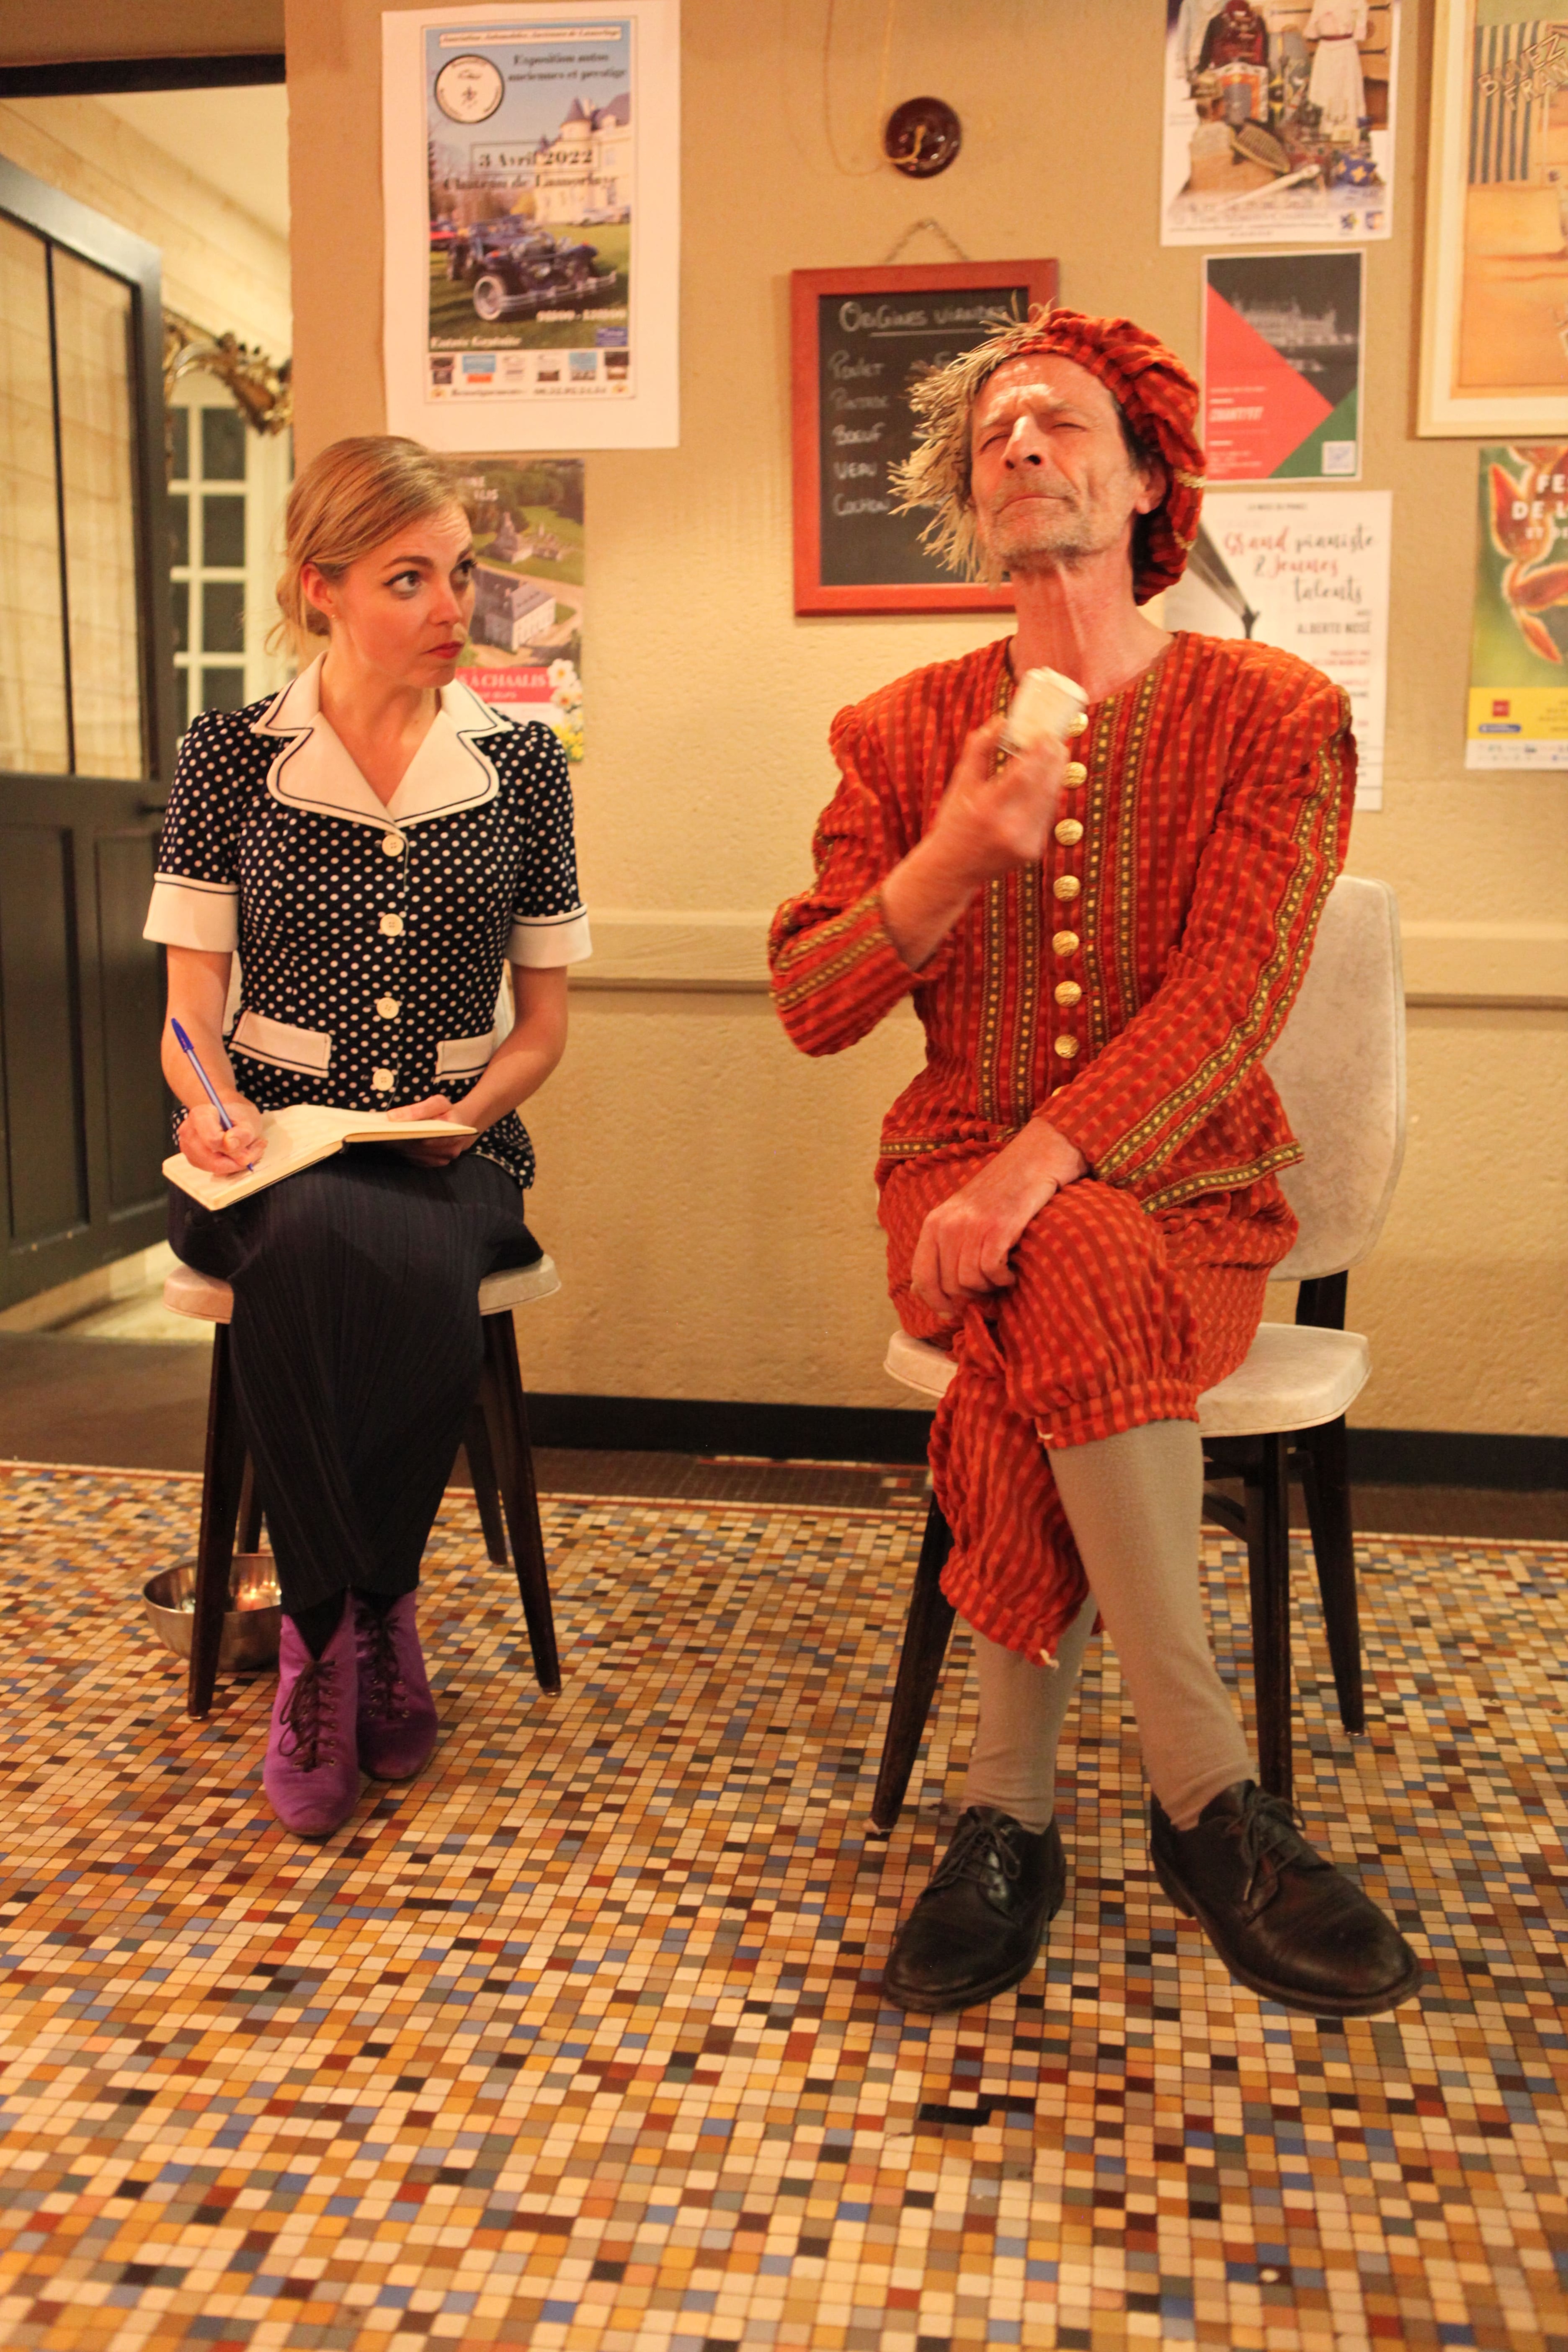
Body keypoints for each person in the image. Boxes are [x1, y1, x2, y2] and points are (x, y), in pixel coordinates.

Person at [768, 308, 1417, 2019]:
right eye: (992, 434)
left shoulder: (1276, 713)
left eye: (1058, 421)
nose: (1020, 445)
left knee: (1063, 1277)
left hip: (1194, 1193)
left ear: (1147, 484)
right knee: (1056, 1263)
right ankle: (1216, 1811)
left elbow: (1229, 1002)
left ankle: (1010, 1817)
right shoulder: (899, 731)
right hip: (950, 1165)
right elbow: (813, 1003)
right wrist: (952, 860)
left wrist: (1032, 1178)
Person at [144, 436, 589, 1839]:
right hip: (269, 1145)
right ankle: (364, 1625)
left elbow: (544, 1030)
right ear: (319, 587)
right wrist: (216, 1113)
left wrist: (467, 1117)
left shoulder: (523, 765)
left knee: (369, 1238)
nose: (454, 604)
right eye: (411, 578)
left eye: (460, 572)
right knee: (313, 1228)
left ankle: (325, 1630)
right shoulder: (232, 754)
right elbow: (186, 1011)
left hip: (462, 1144)